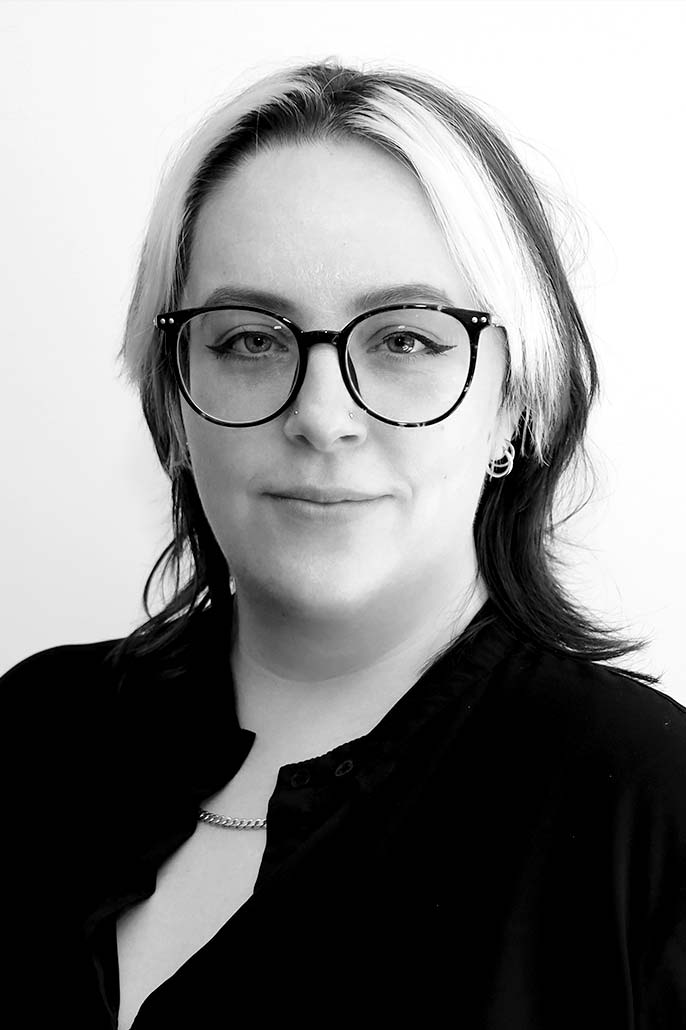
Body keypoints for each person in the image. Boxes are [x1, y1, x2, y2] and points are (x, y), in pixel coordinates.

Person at [3, 59, 684, 1030]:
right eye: (249, 338)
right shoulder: (33, 730)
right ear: (172, 403)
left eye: (405, 339)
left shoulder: (647, 808)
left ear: (514, 404)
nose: (322, 417)